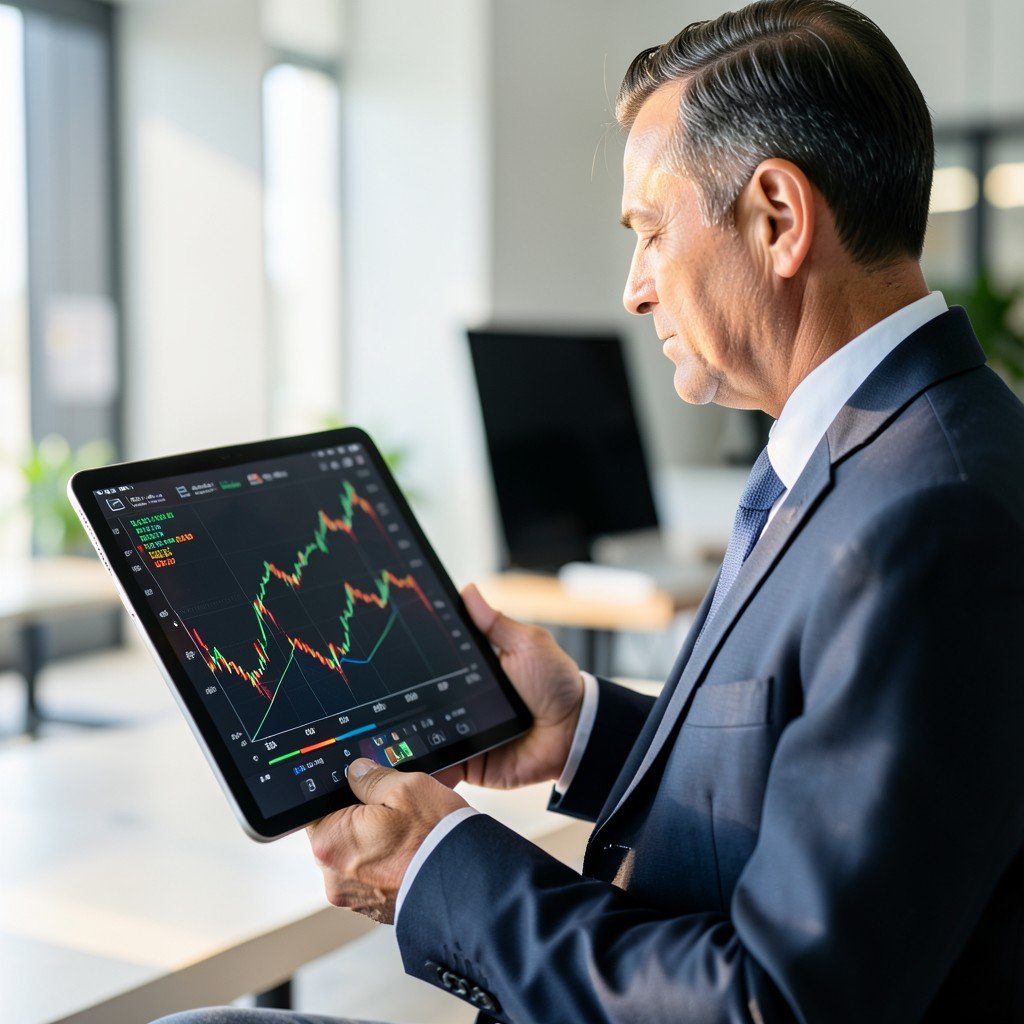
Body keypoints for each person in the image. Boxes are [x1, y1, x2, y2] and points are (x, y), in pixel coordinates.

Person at [157, 1, 1024, 1022]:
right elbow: (817, 778)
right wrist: (583, 729)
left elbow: (778, 1004)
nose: (634, 289)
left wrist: (439, 865)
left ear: (778, 219)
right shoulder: (881, 447)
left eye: (652, 233)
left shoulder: (933, 517)